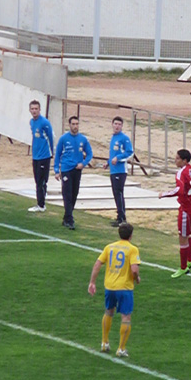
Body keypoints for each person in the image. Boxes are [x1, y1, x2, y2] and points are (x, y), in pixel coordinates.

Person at [88, 222, 141, 358]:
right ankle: (121, 349)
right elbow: (134, 270)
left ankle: (104, 343)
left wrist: (92, 282)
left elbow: (98, 263)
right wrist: (136, 278)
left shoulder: (109, 247)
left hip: (110, 286)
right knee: (126, 316)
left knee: (108, 312)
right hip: (124, 288)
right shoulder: (132, 249)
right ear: (131, 235)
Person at [158, 149, 191, 278]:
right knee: (187, 234)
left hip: (186, 209)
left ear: (184, 160)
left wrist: (164, 194)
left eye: (177, 158)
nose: (175, 160)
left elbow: (179, 190)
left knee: (182, 237)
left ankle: (183, 267)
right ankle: (190, 259)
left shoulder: (180, 173)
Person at [54, 115, 93, 230]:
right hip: (66, 169)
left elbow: (90, 154)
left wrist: (83, 163)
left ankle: (66, 217)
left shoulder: (83, 139)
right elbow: (57, 155)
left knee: (74, 194)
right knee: (67, 194)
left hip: (77, 169)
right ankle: (70, 220)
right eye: (73, 124)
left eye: (77, 124)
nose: (75, 126)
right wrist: (56, 170)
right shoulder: (63, 138)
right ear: (69, 125)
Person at [102, 116, 134, 227]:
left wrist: (118, 158)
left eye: (119, 124)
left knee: (119, 192)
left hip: (120, 171)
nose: (117, 126)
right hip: (113, 170)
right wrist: (108, 162)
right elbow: (113, 154)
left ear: (122, 126)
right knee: (116, 193)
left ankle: (122, 218)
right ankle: (119, 216)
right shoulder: (113, 138)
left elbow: (130, 153)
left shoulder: (124, 138)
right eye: (115, 124)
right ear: (112, 124)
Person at [28, 99, 54, 213]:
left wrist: (52, 152)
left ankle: (41, 205)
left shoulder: (44, 123)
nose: (34, 111)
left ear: (39, 110)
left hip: (44, 156)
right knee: (37, 180)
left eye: (36, 109)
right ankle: (40, 202)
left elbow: (50, 137)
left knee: (41, 181)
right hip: (36, 156)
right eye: (32, 109)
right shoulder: (31, 122)